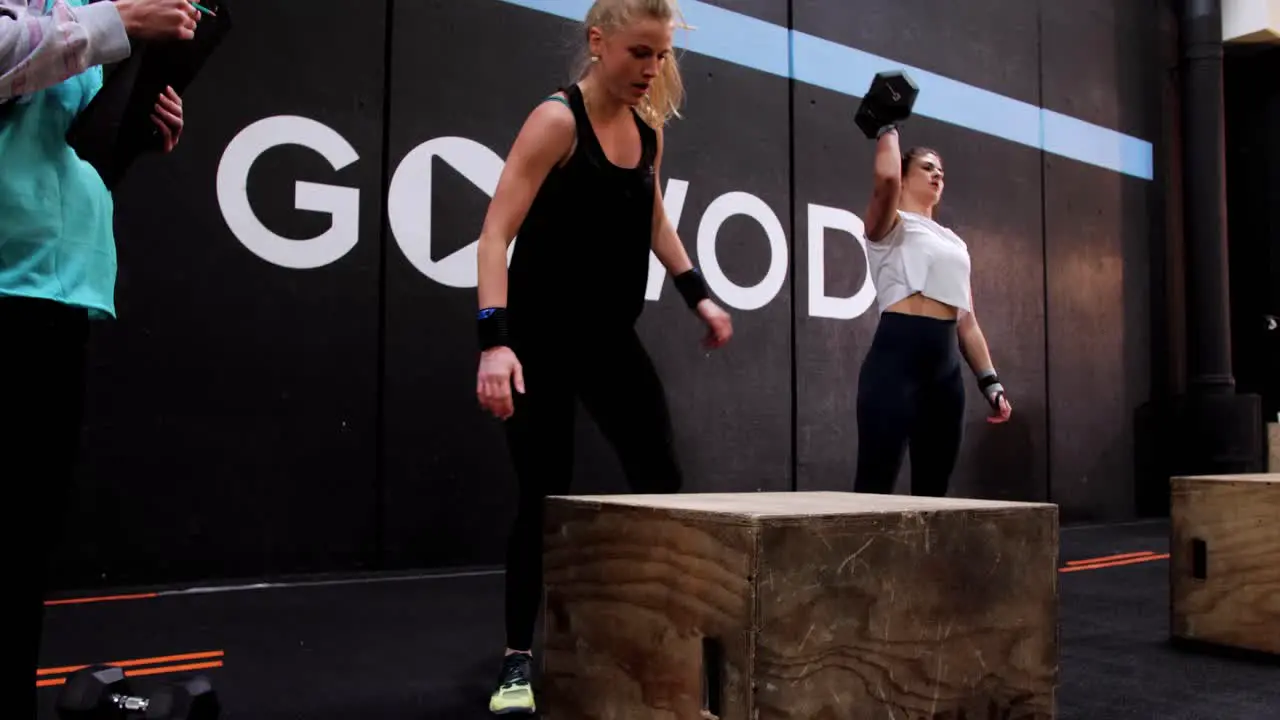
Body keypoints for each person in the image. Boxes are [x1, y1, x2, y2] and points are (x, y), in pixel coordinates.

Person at [472, 0, 732, 713]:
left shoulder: (648, 131)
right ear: (598, 42)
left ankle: (652, 636)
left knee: (662, 477)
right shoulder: (557, 120)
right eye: (639, 53)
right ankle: (517, 663)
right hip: (537, 342)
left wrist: (699, 296)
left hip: (609, 340)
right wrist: (494, 344)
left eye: (661, 55)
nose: (652, 69)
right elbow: (494, 235)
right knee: (543, 498)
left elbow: (655, 220)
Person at [1, 0, 197, 716]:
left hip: (58, 286)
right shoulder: (93, 11)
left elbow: (62, 143)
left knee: (24, 541)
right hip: (7, 279)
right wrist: (119, 22)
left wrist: (136, 126)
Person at [854, 122, 1013, 498]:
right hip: (894, 365)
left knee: (933, 495)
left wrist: (990, 382)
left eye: (941, 169)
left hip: (945, 375)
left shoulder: (955, 243)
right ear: (905, 178)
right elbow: (885, 180)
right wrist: (887, 128)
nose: (937, 173)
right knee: (873, 489)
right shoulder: (889, 226)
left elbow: (968, 322)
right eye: (927, 166)